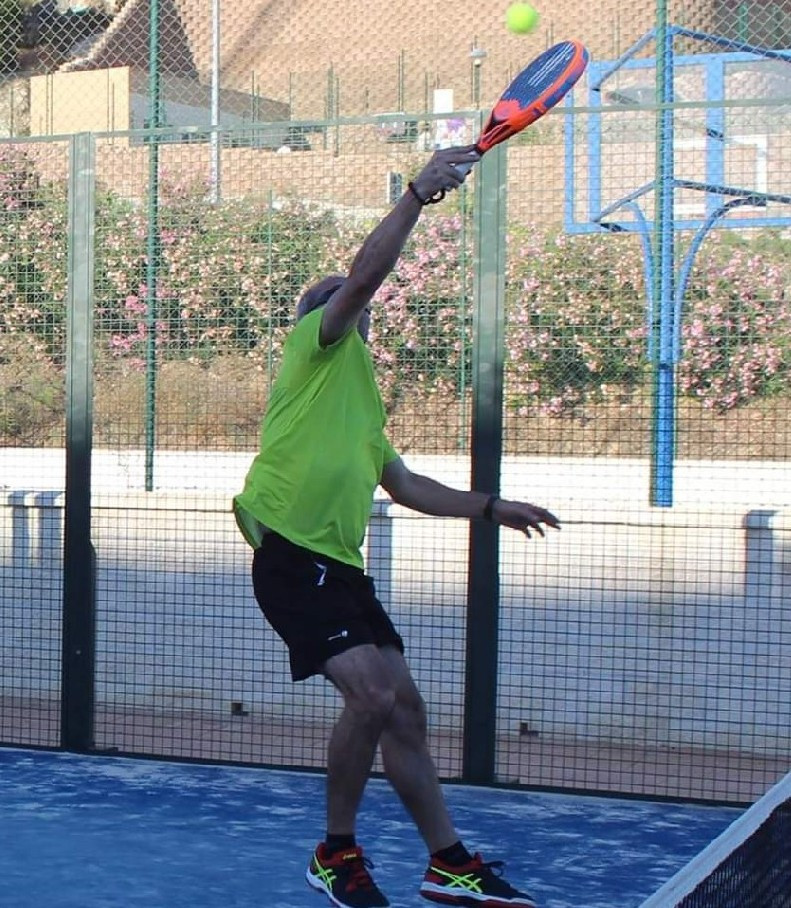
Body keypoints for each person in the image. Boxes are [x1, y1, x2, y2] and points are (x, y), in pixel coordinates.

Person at [233, 144, 560, 908]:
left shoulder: (364, 407)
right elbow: (363, 277)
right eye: (331, 293)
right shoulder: (310, 351)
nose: (345, 293)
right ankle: (335, 852)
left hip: (340, 568)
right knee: (373, 697)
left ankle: (447, 863)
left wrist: (489, 506)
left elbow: (406, 485)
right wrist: (416, 194)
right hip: (290, 555)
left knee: (404, 710)